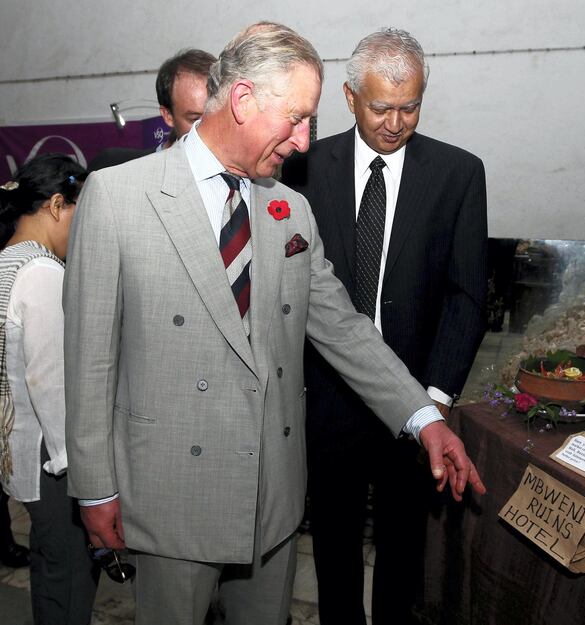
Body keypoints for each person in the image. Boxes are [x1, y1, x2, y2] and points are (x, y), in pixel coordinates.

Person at [63, 22, 485, 625]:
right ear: (241, 100)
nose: (306, 141)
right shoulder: (119, 197)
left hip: (273, 501)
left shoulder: (289, 209)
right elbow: (89, 362)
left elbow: (342, 327)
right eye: (295, 119)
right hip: (169, 493)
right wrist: (95, 487)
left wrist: (422, 417)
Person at [281, 27, 487, 625]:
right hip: (328, 396)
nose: (396, 123)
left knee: (403, 547)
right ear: (349, 99)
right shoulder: (302, 170)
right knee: (333, 545)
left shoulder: (458, 173)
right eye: (380, 108)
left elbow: (467, 295)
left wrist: (437, 396)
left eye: (410, 107)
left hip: (417, 399)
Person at [0, 154, 99, 624]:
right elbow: (51, 382)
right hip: (52, 459)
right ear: (58, 205)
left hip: (21, 450)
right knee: (70, 578)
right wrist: (76, 468)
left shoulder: (6, 262)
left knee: (48, 564)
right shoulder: (41, 273)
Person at [88, 48, 215, 170]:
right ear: (168, 115)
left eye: (217, 116)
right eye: (194, 119)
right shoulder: (114, 166)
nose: (210, 128)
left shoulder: (233, 176)